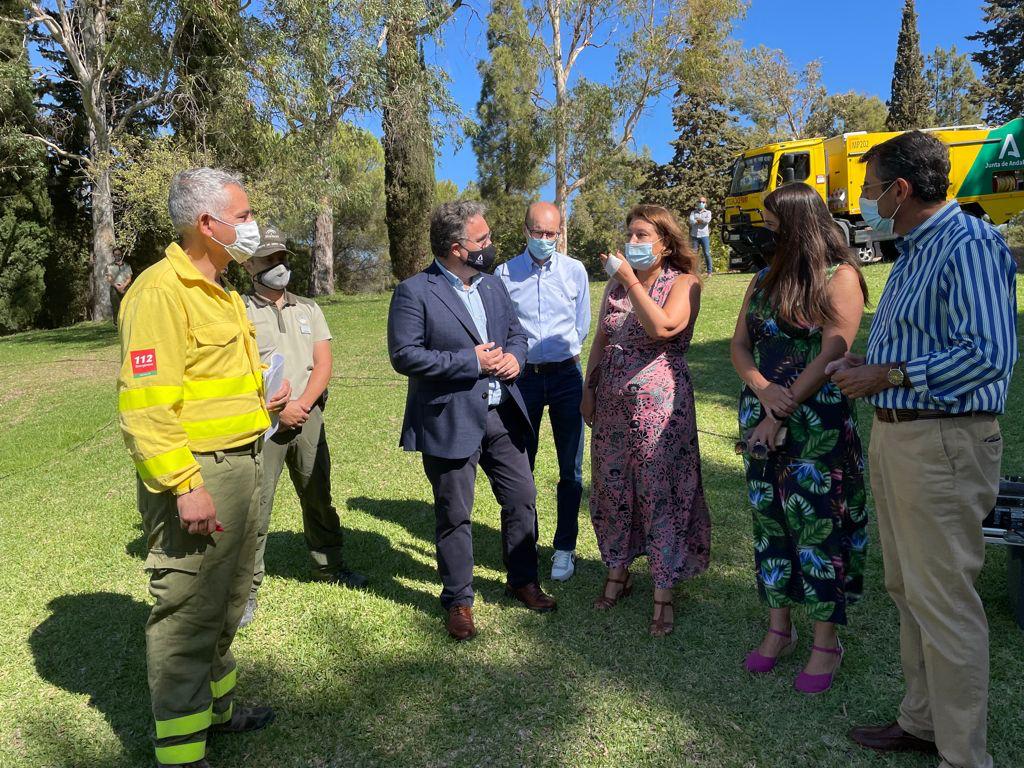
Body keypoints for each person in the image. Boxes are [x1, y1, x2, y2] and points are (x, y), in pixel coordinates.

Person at [831, 131, 1016, 767]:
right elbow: (925, 340)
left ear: (900, 189)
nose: (861, 198)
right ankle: (923, 723)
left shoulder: (969, 245)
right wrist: (872, 362)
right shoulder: (913, 250)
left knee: (944, 601)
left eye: (869, 183)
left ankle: (964, 756)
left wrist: (889, 375)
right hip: (903, 437)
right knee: (909, 588)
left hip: (943, 440)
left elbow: (990, 353)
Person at [117, 168, 291, 768]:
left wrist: (258, 401)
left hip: (244, 461)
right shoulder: (159, 292)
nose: (252, 226)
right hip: (199, 475)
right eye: (243, 217)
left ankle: (217, 710)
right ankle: (183, 753)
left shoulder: (218, 287)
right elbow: (146, 406)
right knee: (188, 610)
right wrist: (186, 486)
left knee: (229, 596)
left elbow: (209, 383)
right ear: (207, 224)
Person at [387, 200, 557, 641]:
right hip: (450, 419)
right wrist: (471, 362)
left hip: (502, 414)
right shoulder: (415, 291)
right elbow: (404, 356)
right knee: (455, 515)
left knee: (522, 498)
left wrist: (516, 360)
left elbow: (517, 335)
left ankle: (523, 580)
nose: (490, 246)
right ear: (455, 248)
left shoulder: (492, 285)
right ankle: (459, 601)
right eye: (482, 240)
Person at [729, 182, 869, 694]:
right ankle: (779, 628)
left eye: (772, 221)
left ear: (797, 221)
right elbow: (741, 344)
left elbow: (834, 348)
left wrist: (784, 403)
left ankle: (826, 641)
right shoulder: (763, 278)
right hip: (762, 414)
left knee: (817, 528)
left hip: (816, 424)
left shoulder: (840, 276)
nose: (765, 229)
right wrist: (764, 391)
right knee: (771, 526)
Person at [582, 203, 710, 637]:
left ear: (666, 242)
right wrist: (589, 387)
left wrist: (630, 280)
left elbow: (662, 328)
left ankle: (664, 588)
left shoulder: (684, 283)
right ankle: (617, 569)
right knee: (612, 487)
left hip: (660, 405)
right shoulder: (616, 287)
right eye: (630, 234)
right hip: (613, 403)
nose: (632, 243)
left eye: (642, 235)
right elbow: (602, 336)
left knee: (659, 490)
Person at [237, 224, 367, 629]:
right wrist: (277, 411)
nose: (278, 265)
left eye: (282, 258)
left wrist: (302, 405)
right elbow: (235, 371)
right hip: (262, 423)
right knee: (256, 509)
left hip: (307, 417)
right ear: (249, 266)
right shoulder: (237, 310)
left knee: (318, 494)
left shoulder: (309, 308)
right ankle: (245, 593)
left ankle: (329, 566)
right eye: (268, 259)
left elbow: (323, 364)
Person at [494, 202, 590, 582]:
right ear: (525, 232)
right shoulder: (504, 273)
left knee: (572, 467)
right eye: (538, 232)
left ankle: (565, 548)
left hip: (567, 375)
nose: (545, 240)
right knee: (521, 465)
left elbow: (581, 325)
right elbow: (501, 328)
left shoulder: (575, 271)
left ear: (560, 233)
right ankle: (525, 542)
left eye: (552, 233)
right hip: (523, 379)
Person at [105, 246, 133, 321]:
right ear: (113, 255)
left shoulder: (127, 265)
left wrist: (123, 286)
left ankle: (127, 320)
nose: (117, 256)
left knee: (127, 304)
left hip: (125, 287)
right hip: (114, 287)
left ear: (121, 254)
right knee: (116, 306)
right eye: (116, 255)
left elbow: (129, 278)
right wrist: (117, 287)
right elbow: (109, 279)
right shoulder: (109, 266)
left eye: (119, 254)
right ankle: (116, 322)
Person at [688, 197, 713, 274]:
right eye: (700, 201)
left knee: (706, 253)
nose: (701, 203)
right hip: (694, 236)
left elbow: (707, 221)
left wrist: (698, 220)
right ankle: (694, 271)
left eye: (703, 202)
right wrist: (701, 220)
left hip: (704, 235)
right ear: (697, 203)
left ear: (705, 204)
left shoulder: (708, 212)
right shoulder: (693, 212)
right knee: (693, 254)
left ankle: (709, 271)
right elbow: (691, 221)